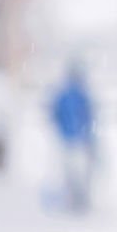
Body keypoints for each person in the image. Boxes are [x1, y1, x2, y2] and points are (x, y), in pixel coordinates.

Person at [50, 62, 95, 212]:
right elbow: (89, 116)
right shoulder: (81, 94)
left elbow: (55, 115)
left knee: (72, 172)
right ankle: (79, 199)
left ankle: (75, 199)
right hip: (78, 139)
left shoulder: (64, 94)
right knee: (79, 171)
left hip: (70, 139)